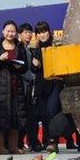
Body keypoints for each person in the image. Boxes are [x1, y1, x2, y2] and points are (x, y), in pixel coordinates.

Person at [0, 21, 28, 154]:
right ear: (3, 32)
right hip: (0, 87)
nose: (10, 33)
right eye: (8, 31)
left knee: (15, 117)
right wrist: (0, 60)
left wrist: (20, 66)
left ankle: (13, 146)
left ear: (16, 33)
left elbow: (25, 67)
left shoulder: (19, 48)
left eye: (13, 31)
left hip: (16, 87)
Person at [31, 21, 60, 152]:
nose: (42, 35)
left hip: (55, 83)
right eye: (39, 32)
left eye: (44, 31)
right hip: (41, 86)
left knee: (52, 111)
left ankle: (53, 141)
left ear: (49, 31)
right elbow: (33, 69)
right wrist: (35, 65)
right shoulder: (35, 49)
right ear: (36, 35)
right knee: (44, 115)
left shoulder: (57, 46)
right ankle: (48, 141)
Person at [16, 23, 39, 151]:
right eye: (26, 32)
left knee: (28, 116)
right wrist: (33, 77)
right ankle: (19, 143)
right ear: (19, 34)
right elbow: (21, 68)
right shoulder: (19, 48)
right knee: (22, 116)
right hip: (22, 87)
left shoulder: (28, 48)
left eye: (30, 32)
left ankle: (25, 143)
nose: (29, 35)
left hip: (28, 86)